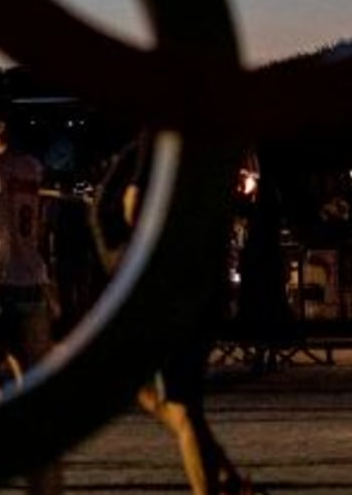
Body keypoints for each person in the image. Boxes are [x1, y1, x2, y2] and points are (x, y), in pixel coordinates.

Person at [97, 137, 253, 495]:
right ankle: (225, 475)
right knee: (170, 399)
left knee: (179, 406)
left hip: (167, 287)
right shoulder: (204, 146)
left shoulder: (161, 136)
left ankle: (212, 486)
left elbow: (132, 205)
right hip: (195, 283)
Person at [0, 98, 61, 494]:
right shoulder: (32, 166)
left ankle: (8, 418)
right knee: (24, 362)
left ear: (0, 126)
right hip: (31, 271)